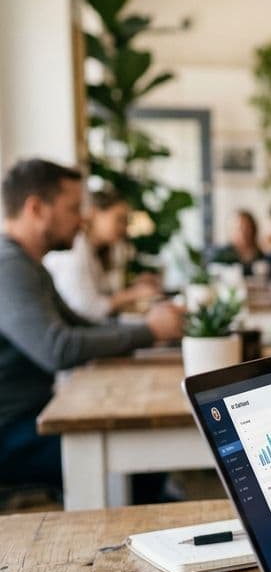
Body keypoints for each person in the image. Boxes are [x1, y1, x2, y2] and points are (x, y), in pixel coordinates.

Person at [0, 159, 184, 494]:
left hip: (35, 415)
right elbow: (58, 348)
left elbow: (81, 325)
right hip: (11, 433)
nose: (83, 218)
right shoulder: (8, 266)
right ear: (36, 208)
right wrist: (150, 331)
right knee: (140, 460)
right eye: (73, 208)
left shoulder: (28, 265)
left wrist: (149, 328)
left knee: (144, 458)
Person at [43, 187, 161, 321]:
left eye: (126, 221)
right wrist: (133, 293)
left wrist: (135, 286)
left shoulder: (100, 250)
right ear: (94, 213)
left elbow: (104, 294)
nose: (125, 228)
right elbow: (88, 310)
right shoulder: (74, 250)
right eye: (119, 219)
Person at [212, 209, 266, 277]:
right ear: (230, 231)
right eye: (238, 228)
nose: (243, 233)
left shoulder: (265, 252)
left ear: (254, 228)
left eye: (247, 227)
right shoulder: (222, 255)